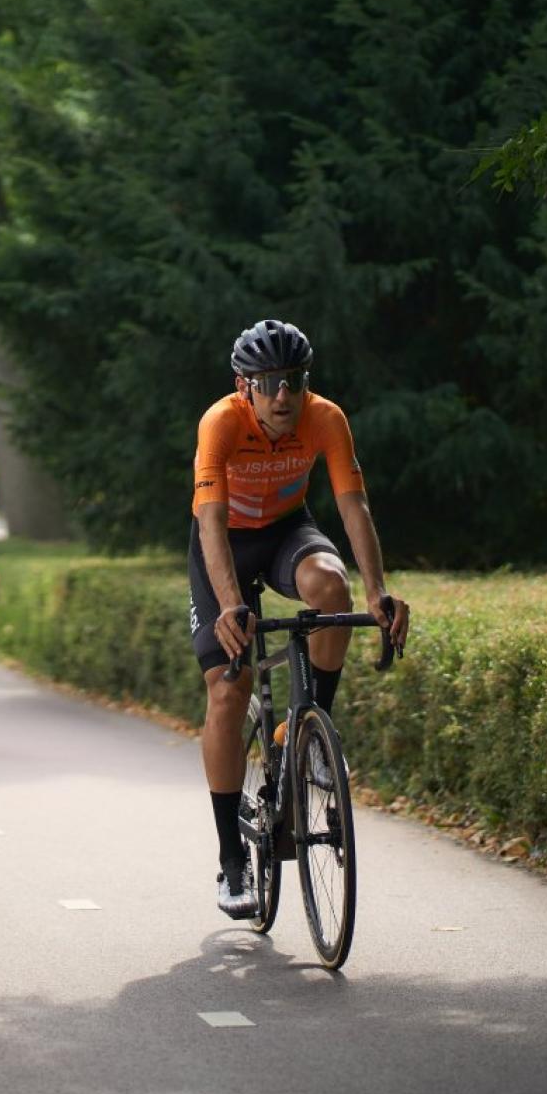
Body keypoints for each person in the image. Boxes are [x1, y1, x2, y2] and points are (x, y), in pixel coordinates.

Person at [189, 319, 412, 919]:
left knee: (330, 586)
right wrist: (231, 604)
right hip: (227, 542)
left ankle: (311, 728)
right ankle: (232, 859)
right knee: (228, 689)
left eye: (292, 381)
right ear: (244, 386)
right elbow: (209, 522)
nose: (282, 395)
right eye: (267, 383)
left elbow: (351, 503)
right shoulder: (221, 423)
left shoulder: (325, 417)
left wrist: (378, 591)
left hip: (287, 529)